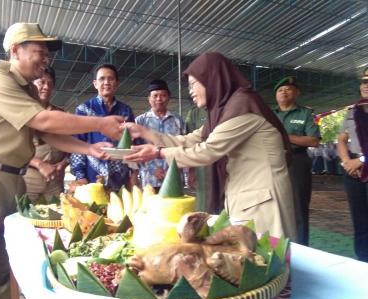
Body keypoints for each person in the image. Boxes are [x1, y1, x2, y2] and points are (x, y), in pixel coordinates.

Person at [0, 22, 124, 299]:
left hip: (9, 183)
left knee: (1, 274)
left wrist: (90, 149)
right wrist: (101, 123)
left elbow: (44, 131)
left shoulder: (23, 89)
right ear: (16, 50)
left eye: (46, 54)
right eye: (39, 51)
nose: (45, 59)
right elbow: (43, 118)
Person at [124, 52, 297, 241]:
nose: (190, 91)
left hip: (263, 200)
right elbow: (191, 139)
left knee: (268, 259)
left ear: (212, 79)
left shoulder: (243, 107)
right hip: (248, 197)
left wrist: (158, 153)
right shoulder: (224, 111)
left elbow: (208, 150)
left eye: (193, 84)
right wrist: (144, 132)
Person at [69, 64, 136, 191]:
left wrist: (133, 173)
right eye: (102, 79)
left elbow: (132, 144)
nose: (106, 82)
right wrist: (80, 176)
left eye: (111, 79)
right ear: (95, 83)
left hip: (120, 177)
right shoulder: (84, 109)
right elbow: (77, 145)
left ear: (116, 83)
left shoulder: (125, 111)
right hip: (91, 177)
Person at [273, 76, 320, 246]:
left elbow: (313, 140)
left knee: (298, 208)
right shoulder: (270, 115)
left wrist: (285, 137)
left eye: (288, 89)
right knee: (273, 205)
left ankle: (301, 248)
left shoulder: (305, 113)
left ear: (297, 93)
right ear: (275, 96)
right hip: (272, 162)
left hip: (296, 161)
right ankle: (276, 246)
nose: (284, 92)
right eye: (280, 90)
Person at [24, 66, 68, 202]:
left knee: (56, 218)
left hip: (55, 178)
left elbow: (70, 145)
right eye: (41, 82)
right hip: (29, 177)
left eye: (50, 84)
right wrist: (39, 164)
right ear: (32, 84)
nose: (46, 87)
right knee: (26, 216)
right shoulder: (23, 111)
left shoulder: (60, 114)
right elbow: (12, 148)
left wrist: (64, 163)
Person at [337, 71, 368, 262]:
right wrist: (346, 162)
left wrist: (362, 161)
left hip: (363, 164)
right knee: (359, 217)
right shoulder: (352, 111)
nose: (366, 85)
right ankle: (363, 258)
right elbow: (341, 140)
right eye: (363, 82)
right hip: (353, 169)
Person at [134, 79, 186, 191]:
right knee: (150, 208)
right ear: (149, 98)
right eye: (155, 95)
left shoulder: (178, 121)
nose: (159, 99)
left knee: (175, 208)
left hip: (174, 178)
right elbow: (135, 150)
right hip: (149, 180)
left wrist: (173, 169)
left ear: (168, 97)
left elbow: (184, 147)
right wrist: (152, 169)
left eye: (163, 95)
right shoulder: (140, 122)